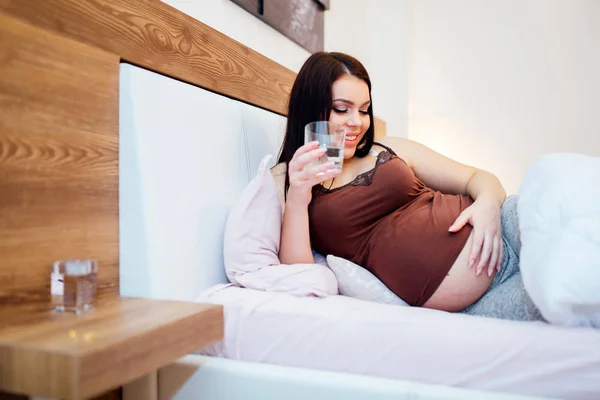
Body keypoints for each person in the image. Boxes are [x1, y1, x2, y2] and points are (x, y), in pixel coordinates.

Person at [271, 52, 543, 321]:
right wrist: (297, 194)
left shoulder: (390, 149)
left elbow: (479, 178)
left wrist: (488, 207)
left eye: (364, 110)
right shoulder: (287, 179)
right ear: (311, 109)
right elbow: (299, 275)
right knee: (571, 299)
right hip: (478, 302)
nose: (357, 122)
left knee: (563, 199)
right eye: (342, 109)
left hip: (505, 230)